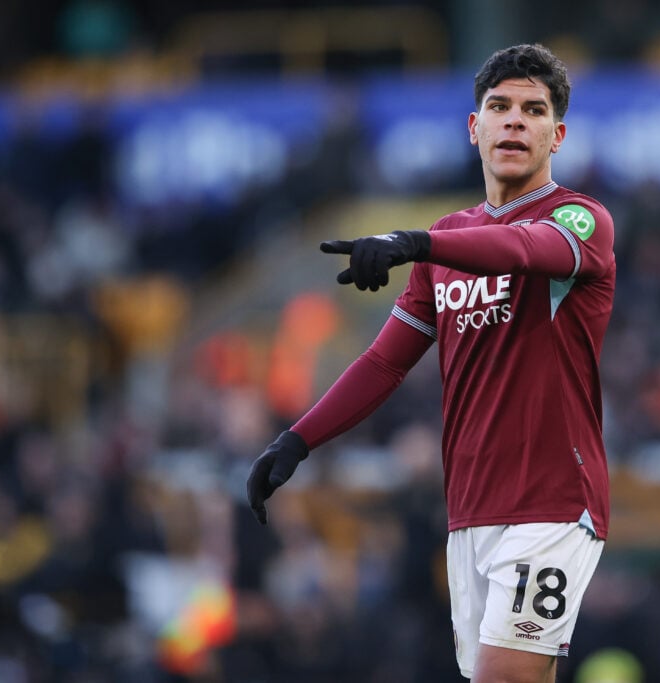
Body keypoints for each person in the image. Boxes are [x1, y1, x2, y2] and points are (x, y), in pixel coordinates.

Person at [247, 43, 616, 683]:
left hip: (553, 502)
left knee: (505, 675)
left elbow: (524, 251)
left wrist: (413, 241)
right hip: (469, 511)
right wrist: (297, 439)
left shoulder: (580, 219)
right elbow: (385, 363)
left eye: (534, 111)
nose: (515, 122)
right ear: (474, 128)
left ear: (557, 135)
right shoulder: (451, 240)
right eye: (499, 107)